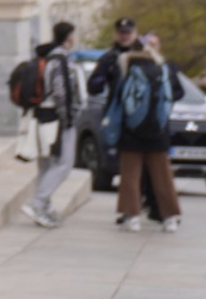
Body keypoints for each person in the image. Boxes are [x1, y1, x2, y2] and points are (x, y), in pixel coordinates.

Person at [98, 34, 184, 233]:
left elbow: (116, 101)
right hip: (158, 131)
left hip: (131, 132)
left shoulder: (126, 70)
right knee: (163, 176)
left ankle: (132, 217)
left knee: (130, 176)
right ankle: (170, 217)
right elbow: (175, 95)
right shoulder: (162, 69)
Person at [87, 15, 157, 225]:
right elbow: (94, 86)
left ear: (135, 33)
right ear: (116, 34)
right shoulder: (110, 58)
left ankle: (151, 205)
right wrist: (104, 75)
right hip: (121, 119)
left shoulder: (147, 55)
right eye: (121, 33)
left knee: (150, 165)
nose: (125, 36)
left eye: (128, 33)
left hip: (146, 118)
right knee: (128, 167)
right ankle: (131, 208)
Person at [19, 22, 81, 228]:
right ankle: (37, 204)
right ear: (68, 37)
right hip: (56, 118)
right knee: (63, 164)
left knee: (47, 164)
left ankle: (44, 207)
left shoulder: (47, 56)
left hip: (43, 116)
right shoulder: (59, 60)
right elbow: (60, 91)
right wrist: (67, 119)